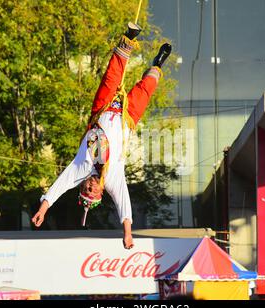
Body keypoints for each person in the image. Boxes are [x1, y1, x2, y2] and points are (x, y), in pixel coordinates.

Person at [31, 22, 172, 249]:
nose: (91, 188)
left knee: (111, 76)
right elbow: (124, 207)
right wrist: (128, 234)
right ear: (100, 193)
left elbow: (58, 186)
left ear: (82, 185)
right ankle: (157, 64)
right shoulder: (113, 179)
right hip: (128, 118)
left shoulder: (79, 169)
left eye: (86, 190)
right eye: (93, 193)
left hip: (103, 110)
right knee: (146, 88)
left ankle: (129, 37)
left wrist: (43, 209)